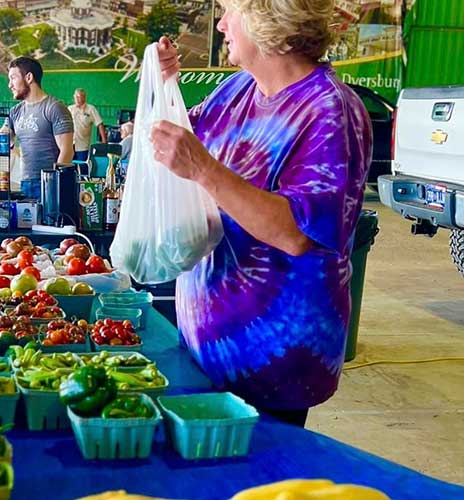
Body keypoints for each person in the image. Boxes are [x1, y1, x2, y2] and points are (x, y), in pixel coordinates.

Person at [151, 0, 372, 427]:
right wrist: (164, 88)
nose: (220, 25)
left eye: (229, 10)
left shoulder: (329, 111)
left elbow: (296, 233)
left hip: (271, 365)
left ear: (267, 18)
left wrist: (204, 168)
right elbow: (181, 149)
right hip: (207, 351)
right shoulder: (238, 90)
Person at [3, 56, 73, 199]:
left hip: (48, 184)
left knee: (47, 221)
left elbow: (67, 151)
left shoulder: (54, 108)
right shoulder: (15, 112)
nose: (10, 85)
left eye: (13, 78)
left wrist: (53, 185)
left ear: (28, 77)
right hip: (25, 183)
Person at [69, 88, 106, 162]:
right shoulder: (70, 109)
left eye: (80, 96)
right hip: (70, 145)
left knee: (82, 167)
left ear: (84, 97)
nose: (77, 99)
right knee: (69, 167)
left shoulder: (91, 109)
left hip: (83, 146)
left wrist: (104, 140)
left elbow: (100, 124)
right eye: (76, 97)